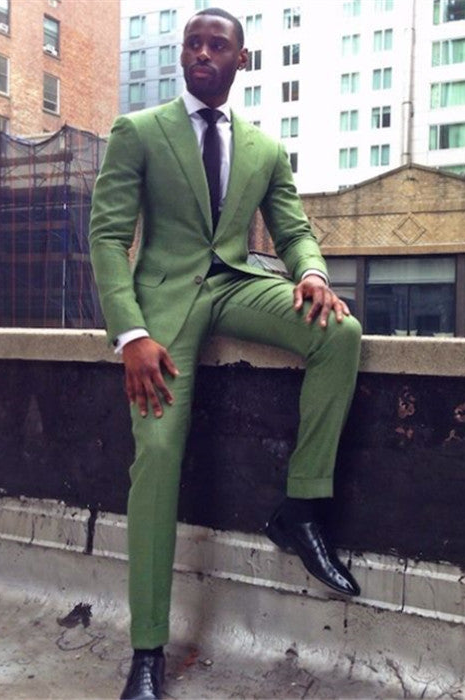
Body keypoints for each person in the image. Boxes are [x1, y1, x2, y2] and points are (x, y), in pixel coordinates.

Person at [89, 8, 362, 699]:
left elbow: (294, 232)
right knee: (157, 456)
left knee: (339, 332)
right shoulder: (139, 132)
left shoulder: (265, 149)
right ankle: (147, 652)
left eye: (217, 45)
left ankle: (301, 508)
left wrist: (311, 272)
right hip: (163, 305)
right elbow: (108, 238)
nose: (202, 53)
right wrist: (130, 334)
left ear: (242, 60)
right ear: (183, 55)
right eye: (193, 43)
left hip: (238, 284)